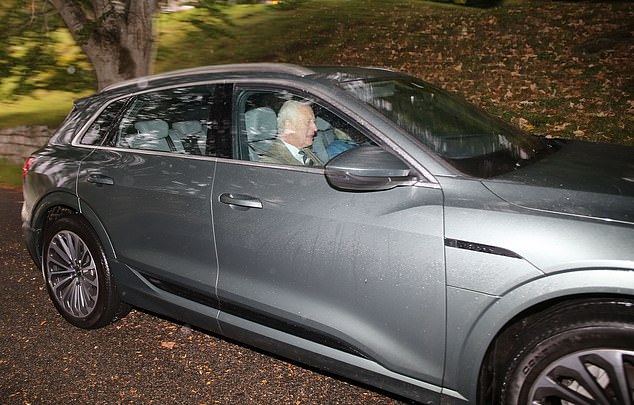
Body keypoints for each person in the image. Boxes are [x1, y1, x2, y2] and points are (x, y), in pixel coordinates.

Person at [259, 100, 323, 167]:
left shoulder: (304, 151)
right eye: (308, 122)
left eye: (314, 122)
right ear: (289, 126)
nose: (315, 128)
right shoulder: (272, 164)